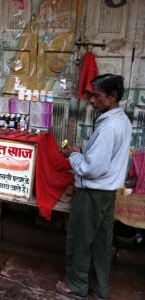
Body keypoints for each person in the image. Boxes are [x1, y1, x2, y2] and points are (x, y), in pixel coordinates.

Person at [56, 74, 132, 300]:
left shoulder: (110, 126)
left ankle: (76, 286)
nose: (92, 100)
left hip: (92, 194)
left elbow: (91, 169)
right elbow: (102, 159)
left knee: (81, 240)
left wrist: (73, 156)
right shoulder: (121, 120)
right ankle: (99, 289)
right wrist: (83, 153)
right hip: (106, 195)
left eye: (97, 95)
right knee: (101, 244)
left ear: (112, 96)